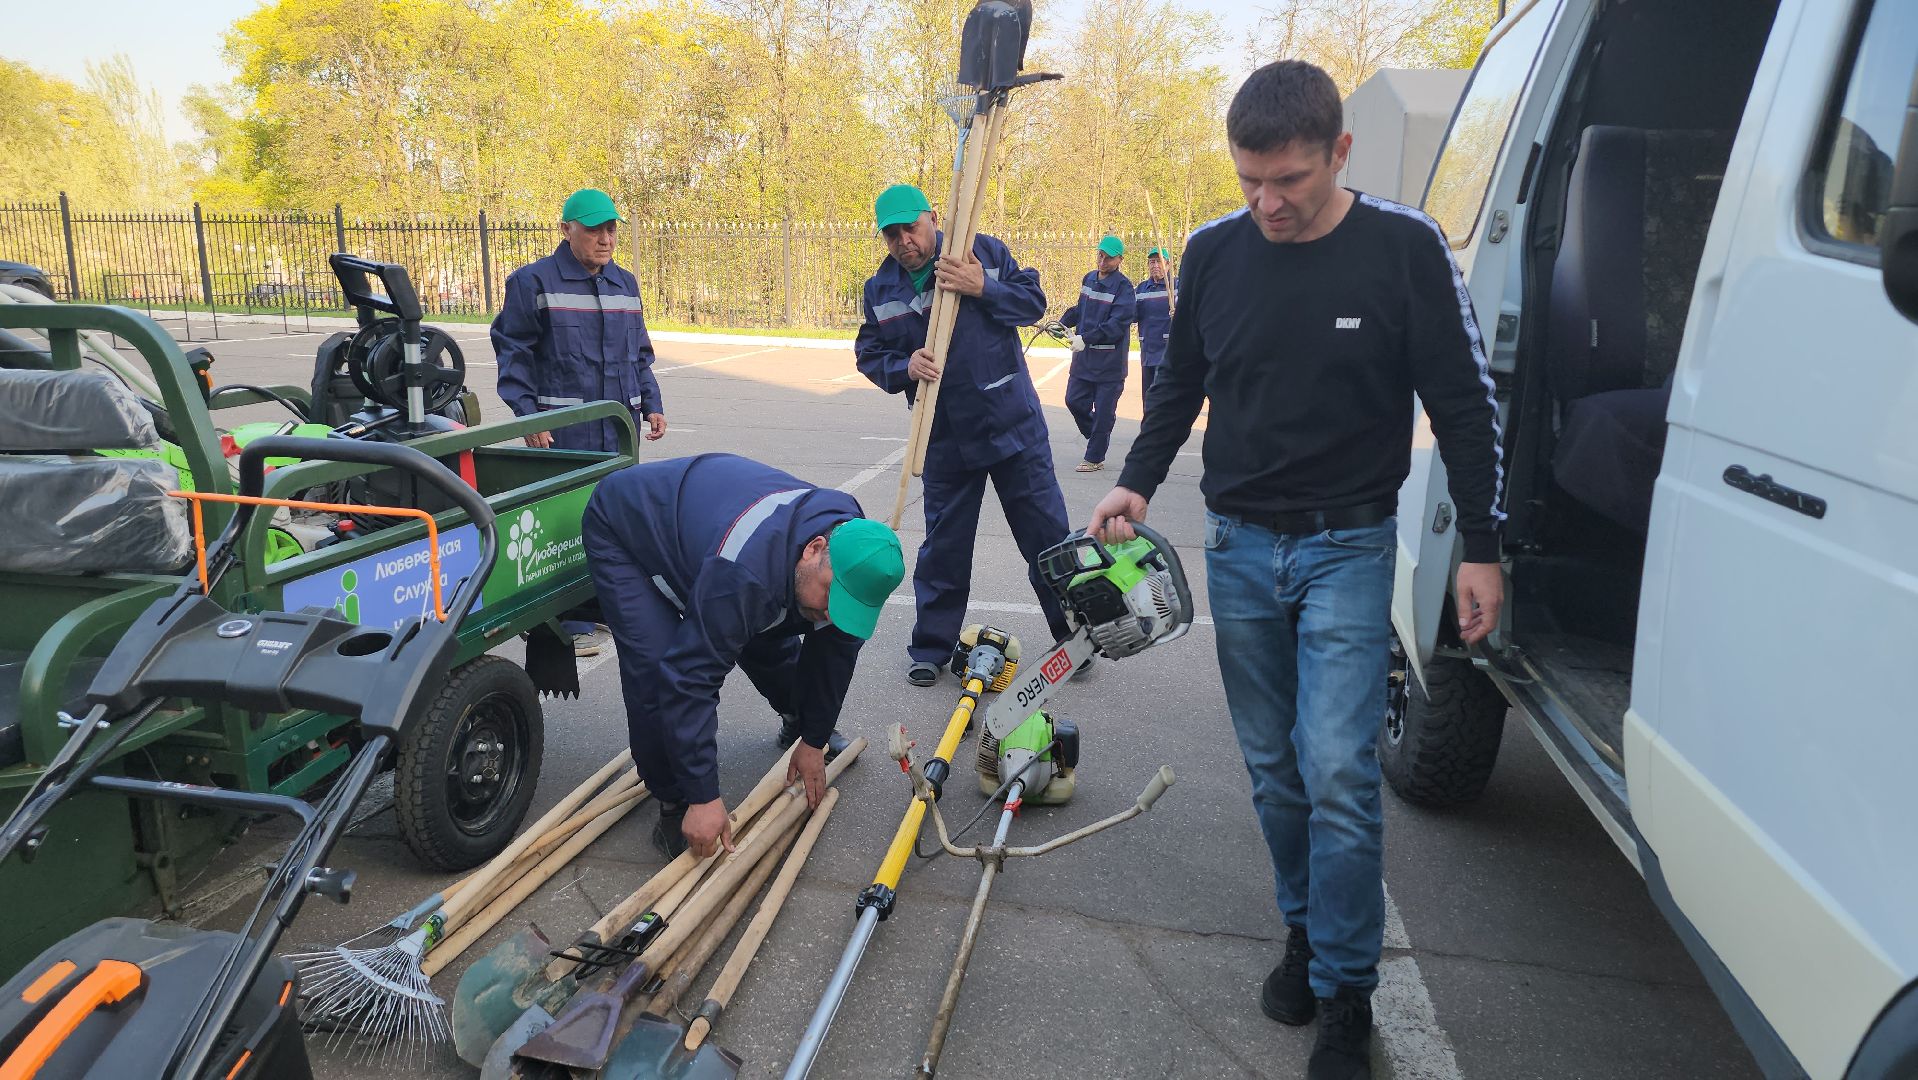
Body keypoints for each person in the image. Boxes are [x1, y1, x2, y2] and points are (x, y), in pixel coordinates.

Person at [1085, 61, 1505, 1080]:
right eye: (1248, 182)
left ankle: (1346, 996)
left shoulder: (1405, 250)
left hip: (1348, 548)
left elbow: (1463, 403)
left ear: (1339, 155)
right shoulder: (1213, 253)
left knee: (1338, 773)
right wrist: (1136, 481)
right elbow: (1180, 380)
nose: (1267, 203)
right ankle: (1305, 932)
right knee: (1275, 774)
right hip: (1237, 547)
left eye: (1289, 182)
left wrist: (1481, 550)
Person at [582, 453, 905, 859]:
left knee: (776, 627)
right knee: (658, 668)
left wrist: (813, 737)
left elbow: (834, 654)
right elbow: (690, 678)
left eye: (846, 604)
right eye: (829, 594)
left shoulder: (854, 552)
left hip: (715, 529)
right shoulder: (743, 574)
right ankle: (673, 801)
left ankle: (795, 720)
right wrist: (701, 795)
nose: (830, 611)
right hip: (631, 527)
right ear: (813, 549)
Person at [853, 183, 1074, 687]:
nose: (904, 240)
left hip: (1010, 423)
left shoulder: (982, 252)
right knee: (945, 546)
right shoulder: (881, 290)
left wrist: (983, 287)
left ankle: (1074, 632)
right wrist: (903, 366)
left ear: (933, 217)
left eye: (911, 227)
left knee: (1046, 536)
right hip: (944, 435)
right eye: (892, 234)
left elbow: (1033, 303)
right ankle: (931, 647)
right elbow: (868, 353)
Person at [493, 187, 667, 656]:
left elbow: (640, 354)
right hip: (563, 432)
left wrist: (652, 401)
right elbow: (514, 353)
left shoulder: (625, 284)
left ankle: (598, 604)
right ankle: (563, 620)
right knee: (564, 524)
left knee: (613, 518)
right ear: (566, 229)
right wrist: (527, 417)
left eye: (611, 229)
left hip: (617, 429)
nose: (605, 238)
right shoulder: (534, 282)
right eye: (594, 229)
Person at [1059, 235, 1137, 472]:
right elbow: (1080, 310)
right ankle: (1098, 436)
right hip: (1084, 361)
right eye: (1100, 255)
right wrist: (1062, 322)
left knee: (1103, 413)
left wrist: (1086, 338)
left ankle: (1094, 457)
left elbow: (1116, 326)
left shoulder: (1124, 289)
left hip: (1109, 365)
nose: (1102, 261)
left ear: (1120, 259)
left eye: (1109, 258)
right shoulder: (1089, 279)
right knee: (1073, 401)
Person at [1133, 247, 1175, 399]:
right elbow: (1132, 315)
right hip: (1148, 354)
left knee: (1166, 400)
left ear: (1168, 264)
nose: (1155, 265)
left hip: (1168, 354)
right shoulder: (1141, 289)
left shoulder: (1177, 286)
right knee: (1149, 399)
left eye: (1159, 261)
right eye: (1152, 262)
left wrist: (1179, 313)